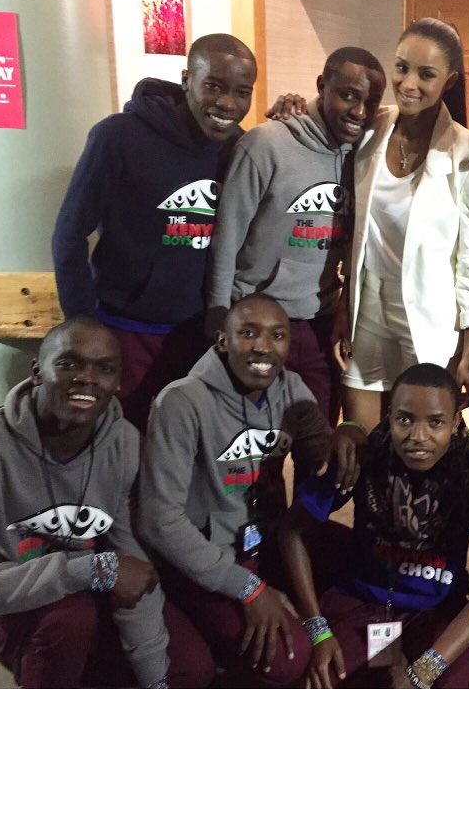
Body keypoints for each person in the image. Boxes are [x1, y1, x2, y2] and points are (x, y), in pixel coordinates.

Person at [0, 318, 213, 689]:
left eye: (104, 368)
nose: (87, 377)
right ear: (37, 373)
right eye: (69, 364)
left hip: (78, 581)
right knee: (71, 620)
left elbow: (129, 558)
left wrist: (155, 681)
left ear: (118, 383)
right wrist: (94, 570)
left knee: (188, 667)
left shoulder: (124, 445)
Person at [271, 19, 469, 434]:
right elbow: (325, 119)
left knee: (416, 443)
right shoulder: (374, 125)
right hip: (367, 309)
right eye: (402, 67)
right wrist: (293, 105)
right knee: (359, 437)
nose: (408, 83)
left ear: (448, 83)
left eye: (426, 74)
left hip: (430, 319)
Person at [138, 293, 360, 686]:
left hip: (266, 544)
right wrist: (250, 589)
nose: (263, 346)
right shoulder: (182, 402)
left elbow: (323, 452)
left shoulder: (292, 390)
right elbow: (159, 521)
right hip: (205, 562)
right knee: (291, 658)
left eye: (277, 335)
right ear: (222, 340)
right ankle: (215, 656)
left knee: (358, 560)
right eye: (248, 333)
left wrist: (347, 436)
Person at [52, 33, 257, 431]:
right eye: (213, 86)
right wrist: (82, 326)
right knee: (122, 445)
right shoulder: (119, 137)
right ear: (186, 80)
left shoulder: (239, 148)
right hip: (126, 331)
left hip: (201, 337)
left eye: (241, 92)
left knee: (184, 452)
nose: (227, 104)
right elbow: (69, 236)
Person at [278, 363, 469, 688]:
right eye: (405, 419)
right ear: (388, 415)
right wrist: (317, 629)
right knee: (312, 681)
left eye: (436, 422)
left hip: (437, 612)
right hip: (365, 605)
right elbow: (291, 531)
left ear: (456, 420)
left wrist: (425, 671)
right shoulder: (362, 456)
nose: (419, 437)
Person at [207, 47, 386, 424]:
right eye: (349, 95)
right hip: (259, 324)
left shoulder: (365, 156)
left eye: (370, 102)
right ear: (322, 86)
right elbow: (227, 240)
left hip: (320, 324)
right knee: (257, 448)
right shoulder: (266, 145)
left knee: (317, 444)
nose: (358, 112)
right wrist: (219, 316)